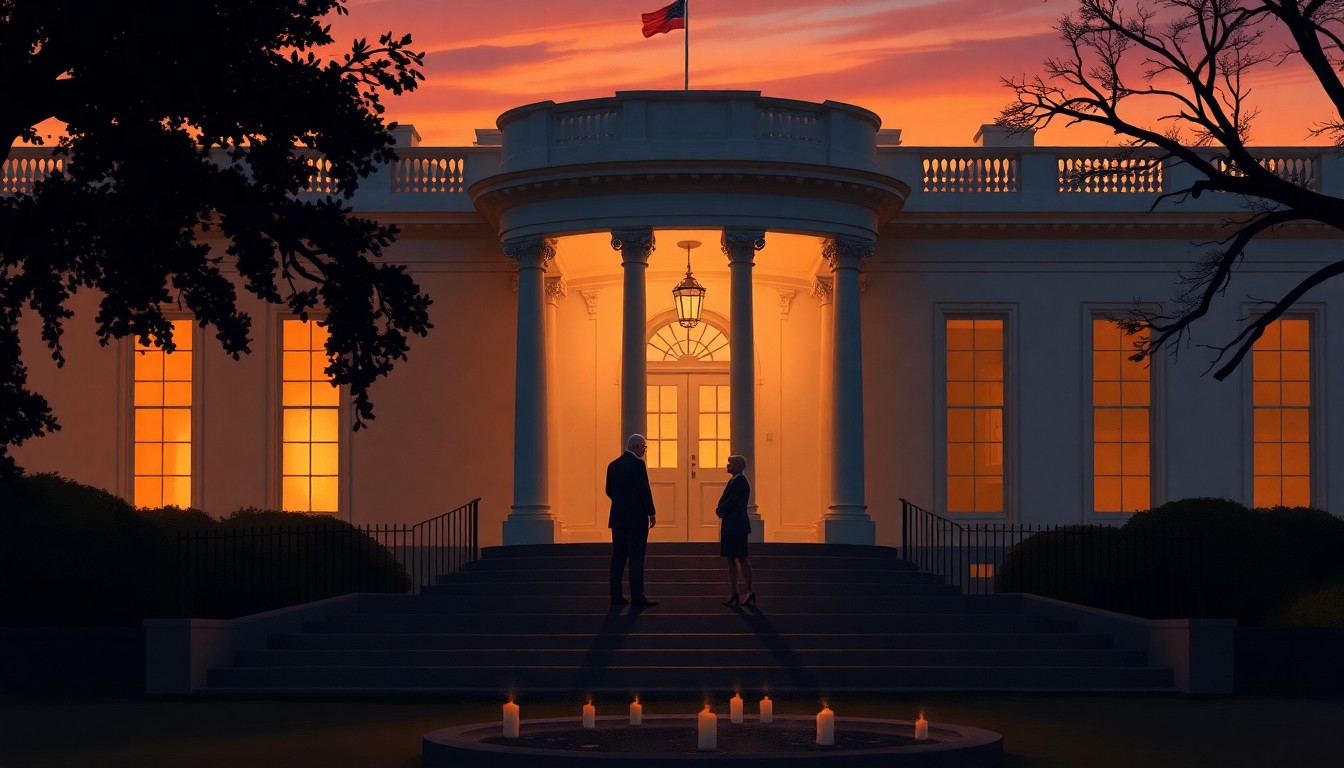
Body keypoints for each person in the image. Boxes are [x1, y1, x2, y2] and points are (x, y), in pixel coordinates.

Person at [606, 433, 658, 607]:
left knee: (618, 557)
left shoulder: (613, 465)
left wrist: (621, 503)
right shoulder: (637, 464)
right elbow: (644, 490)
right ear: (636, 446)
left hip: (618, 519)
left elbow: (608, 490)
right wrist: (651, 512)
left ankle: (616, 596)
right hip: (636, 520)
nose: (644, 451)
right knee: (636, 557)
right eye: (644, 447)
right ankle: (637, 596)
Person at [715, 454, 754, 607]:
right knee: (733, 558)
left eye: (730, 463)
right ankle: (736, 592)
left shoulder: (739, 482)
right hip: (734, 524)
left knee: (739, 557)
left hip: (735, 525)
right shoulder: (735, 481)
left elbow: (731, 500)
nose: (728, 466)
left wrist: (720, 509)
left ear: (738, 465)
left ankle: (745, 591)